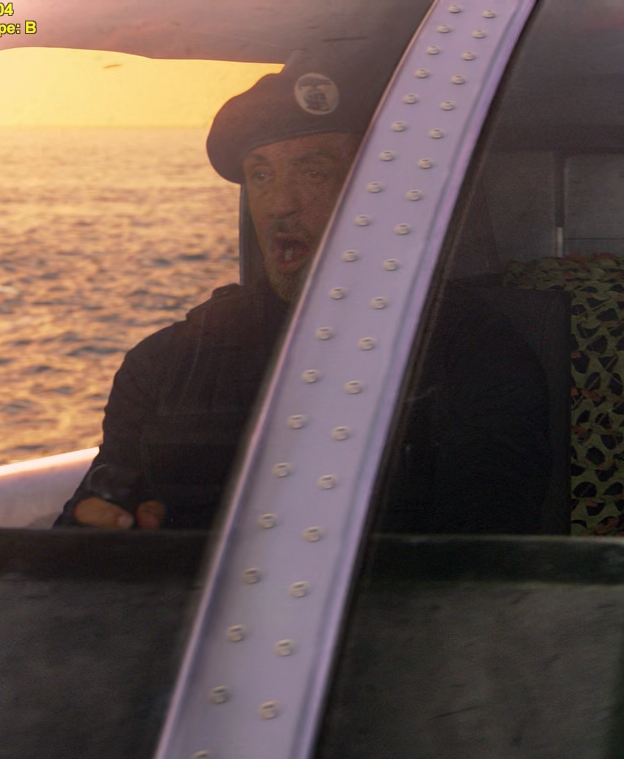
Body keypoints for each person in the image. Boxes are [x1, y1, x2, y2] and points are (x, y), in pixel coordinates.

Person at [57, 57, 550, 535]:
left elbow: (476, 561)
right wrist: (100, 532)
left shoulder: (471, 353)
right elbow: (84, 533)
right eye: (261, 175)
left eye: (313, 173)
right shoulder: (165, 365)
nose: (280, 205)